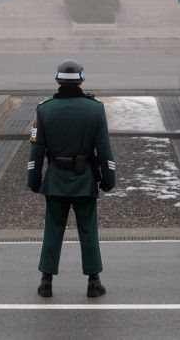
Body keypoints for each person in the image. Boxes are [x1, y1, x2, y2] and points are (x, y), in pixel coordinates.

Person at [27, 59, 116, 298]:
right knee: (88, 230)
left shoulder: (43, 109)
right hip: (85, 179)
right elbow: (104, 149)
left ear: (57, 80)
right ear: (81, 80)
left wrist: (33, 180)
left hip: (55, 179)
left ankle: (46, 281)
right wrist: (109, 178)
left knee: (53, 230)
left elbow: (36, 149)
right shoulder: (95, 109)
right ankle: (93, 281)